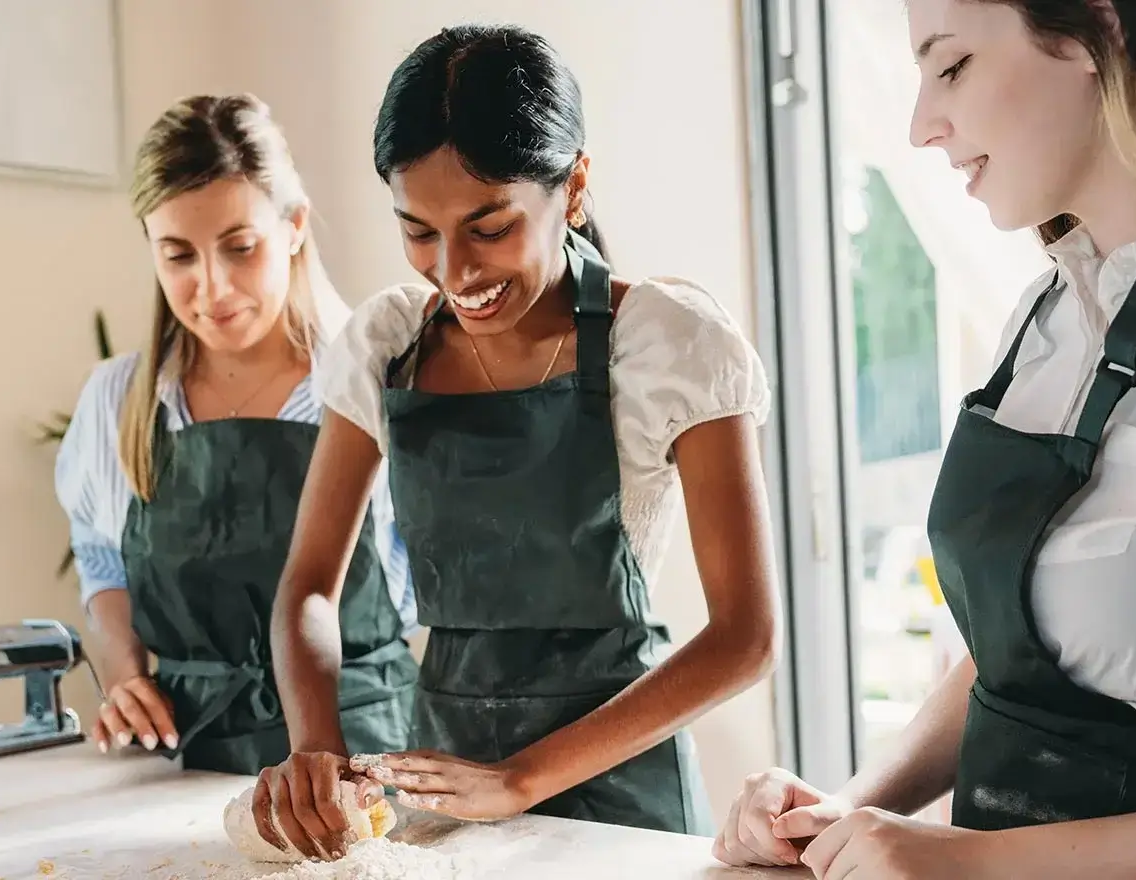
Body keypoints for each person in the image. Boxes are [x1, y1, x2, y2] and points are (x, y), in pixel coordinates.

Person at [715, 1, 1136, 877]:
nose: (920, 125)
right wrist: (846, 808)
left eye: (949, 67)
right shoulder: (1048, 316)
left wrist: (980, 865)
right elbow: (1030, 644)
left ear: (1098, 29)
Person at [248, 24, 780, 860]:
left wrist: (521, 779)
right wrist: (315, 747)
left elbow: (744, 638)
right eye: (418, 230)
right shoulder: (385, 345)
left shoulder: (670, 344)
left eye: (488, 226)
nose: (453, 271)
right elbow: (309, 588)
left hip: (617, 792)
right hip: (438, 788)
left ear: (572, 189)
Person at [54, 94, 419, 776]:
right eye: (178, 256)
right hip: (184, 761)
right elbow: (100, 557)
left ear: (294, 227)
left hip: (365, 756)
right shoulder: (119, 401)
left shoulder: (378, 380)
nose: (211, 287)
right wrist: (126, 676)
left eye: (239, 247)